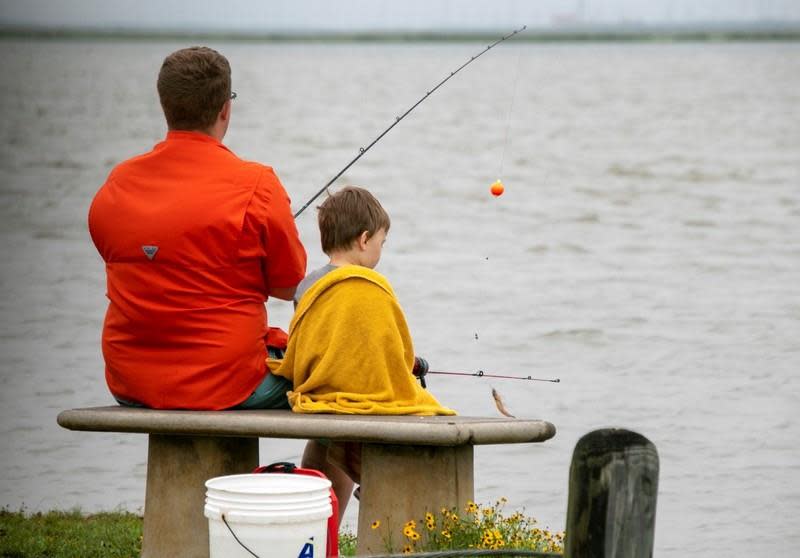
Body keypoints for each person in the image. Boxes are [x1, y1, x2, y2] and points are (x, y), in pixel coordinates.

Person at [88, 46, 306, 411]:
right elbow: (287, 285)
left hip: (129, 382)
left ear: (165, 105)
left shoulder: (118, 183)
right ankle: (322, 469)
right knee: (342, 382)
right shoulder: (257, 184)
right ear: (225, 108)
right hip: (230, 383)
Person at [270, 185, 455, 516]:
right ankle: (383, 495)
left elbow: (314, 341)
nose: (380, 253)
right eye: (382, 243)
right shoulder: (370, 286)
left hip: (318, 390)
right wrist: (408, 366)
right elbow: (386, 349)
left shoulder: (306, 285)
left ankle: (321, 526)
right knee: (400, 410)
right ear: (364, 239)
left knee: (326, 441)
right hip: (360, 395)